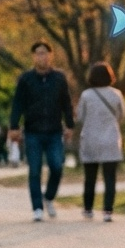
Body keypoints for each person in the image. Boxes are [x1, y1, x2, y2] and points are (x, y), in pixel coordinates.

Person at [8, 41, 74, 222]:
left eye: (44, 53)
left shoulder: (59, 78)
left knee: (57, 166)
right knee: (34, 169)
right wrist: (13, 126)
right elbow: (17, 104)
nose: (41, 56)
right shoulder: (25, 79)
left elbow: (66, 103)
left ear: (50, 55)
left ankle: (49, 197)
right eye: (37, 53)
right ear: (33, 56)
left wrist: (69, 125)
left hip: (54, 131)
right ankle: (37, 207)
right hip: (33, 131)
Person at [76, 61, 125, 222]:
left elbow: (80, 116)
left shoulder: (86, 95)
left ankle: (88, 209)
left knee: (90, 177)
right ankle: (107, 211)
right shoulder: (116, 94)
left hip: (90, 139)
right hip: (111, 139)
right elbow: (122, 115)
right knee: (110, 178)